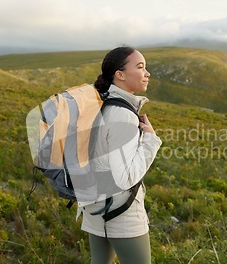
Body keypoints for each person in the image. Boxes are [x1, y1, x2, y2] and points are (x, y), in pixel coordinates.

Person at [79, 46, 162, 264]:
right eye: (140, 67)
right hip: (121, 212)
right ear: (120, 75)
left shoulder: (102, 104)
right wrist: (151, 141)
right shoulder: (122, 115)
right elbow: (124, 178)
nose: (147, 73)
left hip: (95, 205)